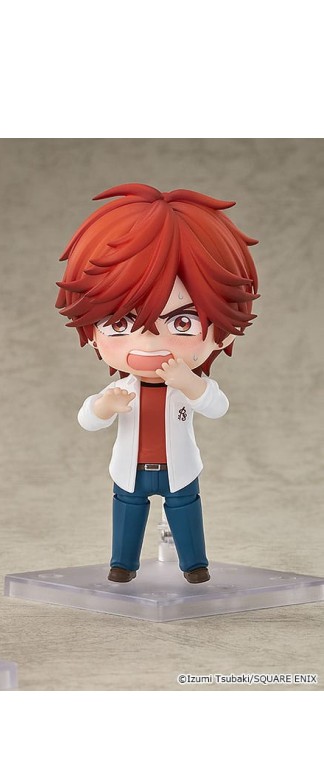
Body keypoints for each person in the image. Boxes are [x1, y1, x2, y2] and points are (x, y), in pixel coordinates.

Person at [55, 183, 259, 583]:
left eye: (182, 322)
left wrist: (189, 381)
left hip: (179, 468)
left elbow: (217, 406)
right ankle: (122, 564)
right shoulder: (123, 389)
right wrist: (105, 406)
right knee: (127, 512)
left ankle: (195, 565)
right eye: (120, 323)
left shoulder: (185, 384)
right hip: (129, 469)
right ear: (91, 332)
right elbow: (87, 419)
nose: (148, 343)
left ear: (222, 333)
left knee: (185, 511)